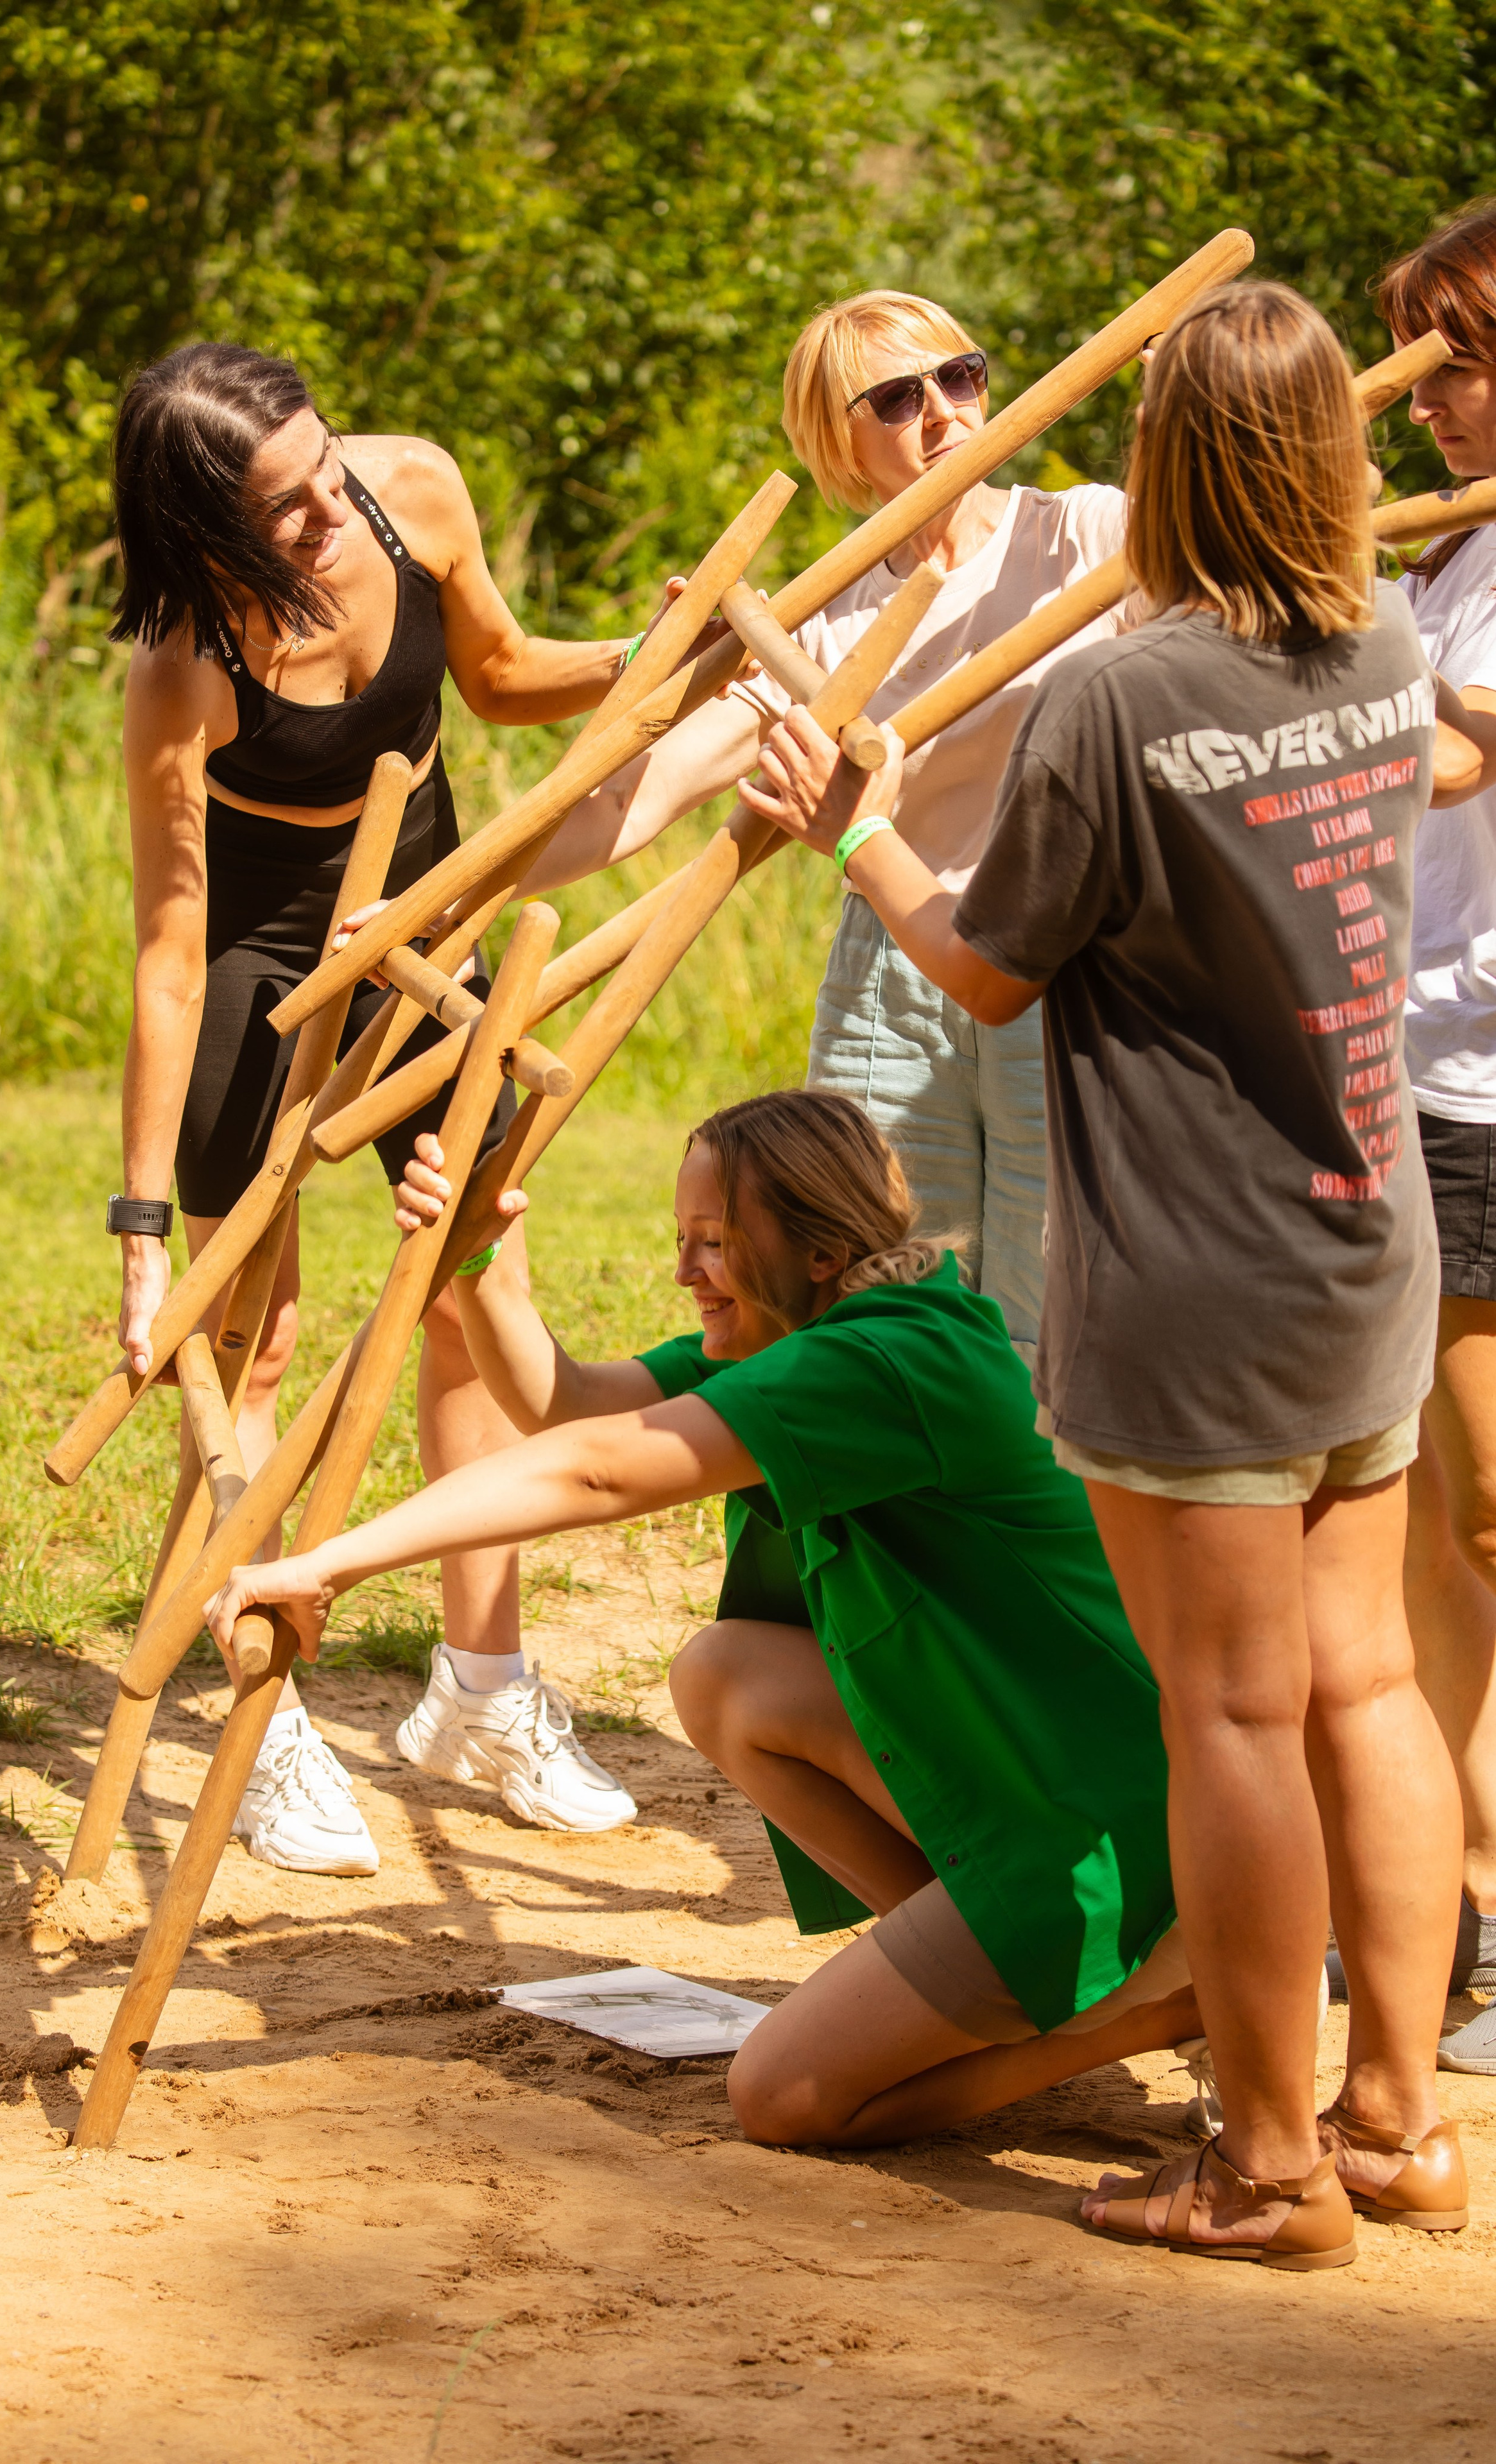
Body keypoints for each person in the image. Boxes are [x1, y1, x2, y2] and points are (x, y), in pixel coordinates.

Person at [748, 282, 1476, 2258]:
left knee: (1227, 1723)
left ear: (1168, 461)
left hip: (1198, 1279)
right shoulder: (1389, 640)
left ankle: (1265, 2166)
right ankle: (1402, 2122)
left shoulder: (1127, 695)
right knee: (1367, 1683)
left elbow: (985, 963)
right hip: (1367, 1236)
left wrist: (859, 832)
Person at [205, 1088, 1225, 2156]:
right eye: (683, 1240)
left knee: (781, 2098)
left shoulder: (883, 1363)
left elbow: (598, 1470)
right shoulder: (813, 1334)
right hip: (1047, 1775)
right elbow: (570, 1404)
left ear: (822, 1250)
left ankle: (1140, 2009)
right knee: (724, 1676)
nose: (687, 1271)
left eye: (716, 1243)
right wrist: (481, 1264)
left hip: (1097, 1825)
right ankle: (1005, 1958)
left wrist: (330, 1561)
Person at [110, 342, 648, 1866]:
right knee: (251, 1344)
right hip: (261, 957)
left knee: (469, 1287)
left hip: (436, 917)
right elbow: (166, 948)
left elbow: (499, 674)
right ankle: (263, 1717)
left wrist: (639, 654)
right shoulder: (182, 666)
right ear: (207, 530)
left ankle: (479, 1691)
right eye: (281, 512)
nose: (327, 518)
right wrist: (143, 1224)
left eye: (326, 471)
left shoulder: (409, 492)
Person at [524, 291, 1127, 1362]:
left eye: (962, 375)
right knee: (877, 1288)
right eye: (897, 397)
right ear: (839, 443)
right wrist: (444, 897)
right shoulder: (821, 618)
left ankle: (1045, 1528)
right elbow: (629, 805)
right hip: (895, 973)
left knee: (1063, 1298)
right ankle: (894, 1527)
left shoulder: (1088, 535)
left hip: (1060, 961)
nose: (943, 410)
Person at [1376, 204, 1496, 2073]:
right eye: (1421, 361)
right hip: (1395, 1068)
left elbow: (1460, 755)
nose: (1440, 399)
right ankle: (1454, 1898)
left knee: (1487, 1502)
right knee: (1412, 1516)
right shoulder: (1433, 552)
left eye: (1463, 353)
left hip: (1489, 1088)